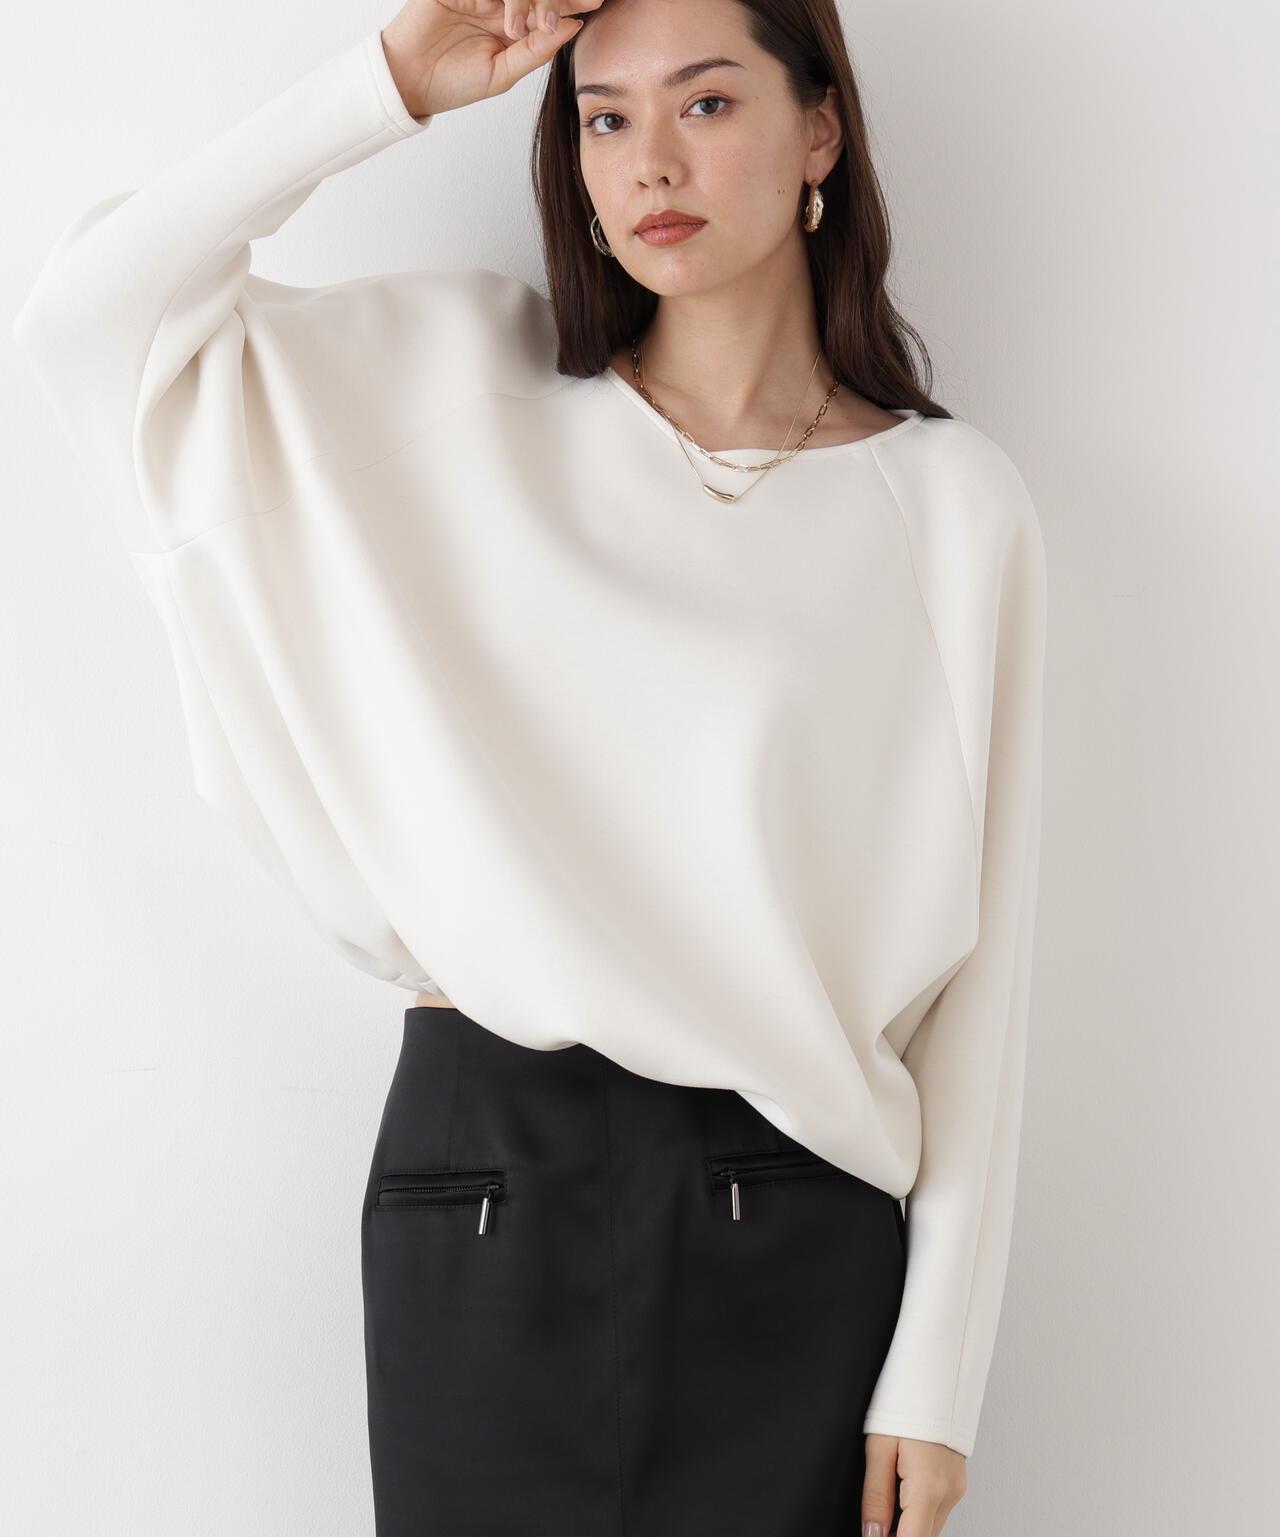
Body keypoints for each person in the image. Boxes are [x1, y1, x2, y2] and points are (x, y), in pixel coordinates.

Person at [12, 2, 1048, 1534]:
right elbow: (89, 322)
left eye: (707, 103)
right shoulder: (448, 383)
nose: (648, 163)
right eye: (603, 117)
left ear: (820, 129)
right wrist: (390, 84)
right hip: (485, 1179)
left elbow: (986, 969)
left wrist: (938, 1369)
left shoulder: (954, 505)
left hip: (796, 1212)